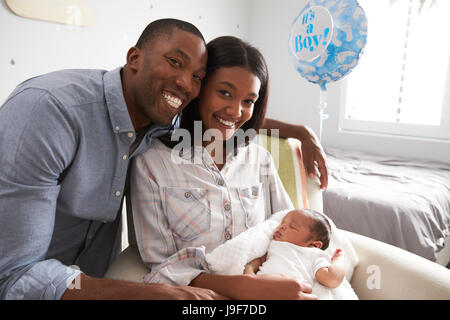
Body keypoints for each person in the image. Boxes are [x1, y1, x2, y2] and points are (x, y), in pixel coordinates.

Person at [0, 18, 326, 300]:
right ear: (134, 57)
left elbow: (229, 115)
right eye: (174, 62)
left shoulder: (166, 116)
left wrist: (300, 131)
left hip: (92, 276)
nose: (185, 83)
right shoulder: (48, 113)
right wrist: (163, 293)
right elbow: (14, 277)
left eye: (197, 77)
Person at [131, 36, 317, 300]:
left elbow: (290, 227)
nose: (235, 110)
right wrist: (245, 288)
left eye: (249, 101)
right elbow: (161, 265)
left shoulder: (260, 160)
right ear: (199, 88)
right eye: (225, 93)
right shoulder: (152, 164)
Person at [243, 209, 346, 292]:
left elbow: (332, 279)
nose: (282, 226)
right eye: (282, 223)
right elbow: (260, 261)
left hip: (290, 293)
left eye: (292, 227)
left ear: (314, 244)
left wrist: (339, 260)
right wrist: (249, 270)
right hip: (258, 290)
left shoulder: (313, 254)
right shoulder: (274, 244)